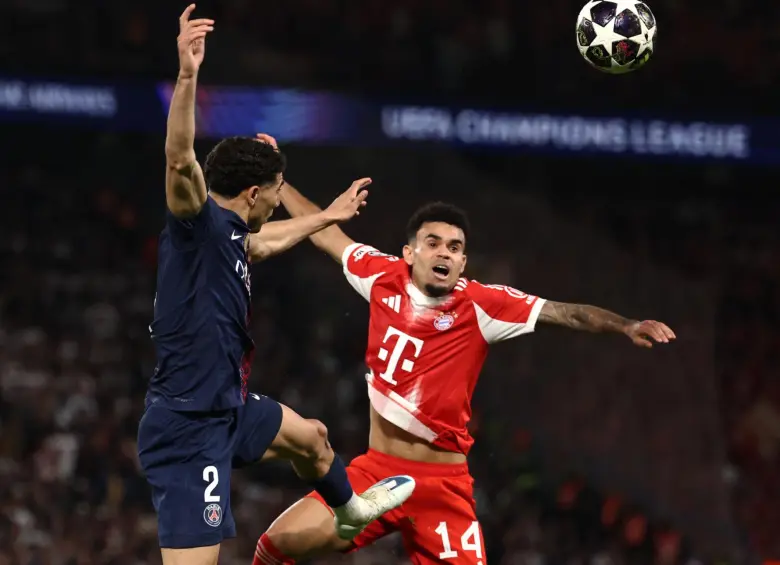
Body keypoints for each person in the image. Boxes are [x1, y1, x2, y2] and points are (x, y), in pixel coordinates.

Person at [251, 184, 676, 565]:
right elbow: (327, 234)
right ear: (410, 253)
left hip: (442, 488)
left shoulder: (483, 304)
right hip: (375, 472)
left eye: (454, 247)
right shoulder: (381, 276)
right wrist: (280, 183)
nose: (444, 253)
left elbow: (567, 314)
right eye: (433, 243)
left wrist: (625, 325)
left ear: (463, 261)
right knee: (276, 544)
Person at [137, 7, 414, 565]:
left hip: (227, 408)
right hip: (189, 429)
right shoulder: (196, 224)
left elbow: (263, 243)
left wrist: (325, 217)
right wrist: (188, 76)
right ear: (253, 194)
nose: (278, 196)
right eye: (277, 187)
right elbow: (177, 159)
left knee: (312, 438)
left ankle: (351, 509)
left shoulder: (234, 237)